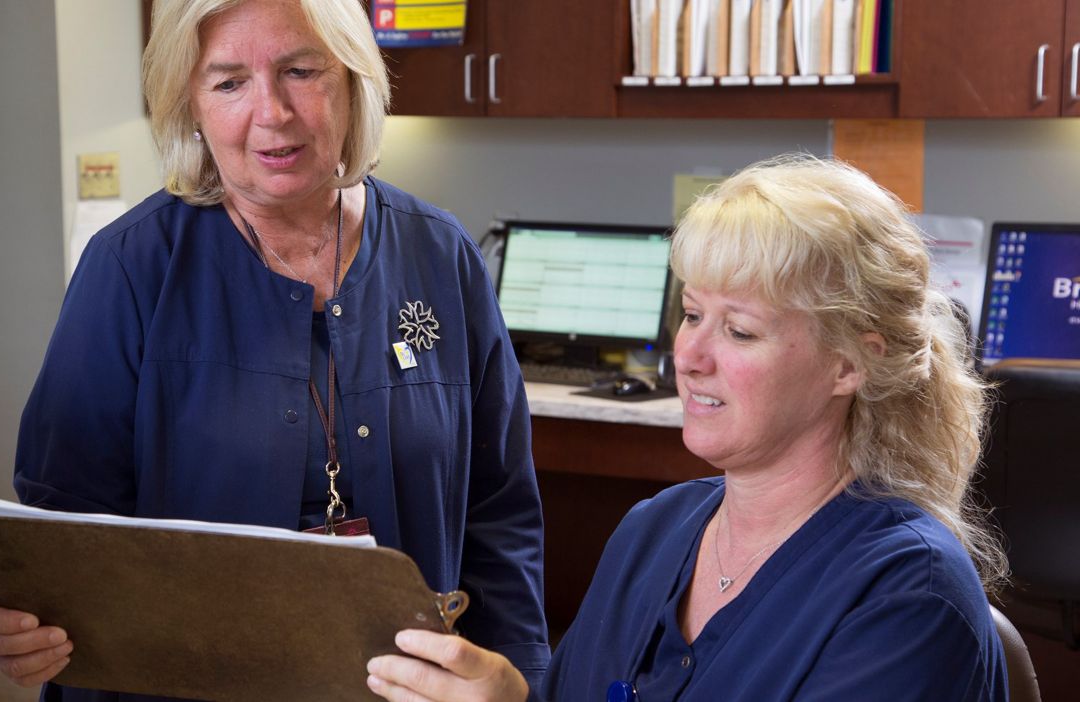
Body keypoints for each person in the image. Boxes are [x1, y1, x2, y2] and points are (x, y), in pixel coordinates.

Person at [0, 0, 550, 699]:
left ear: (352, 83)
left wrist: (524, 681)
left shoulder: (441, 254)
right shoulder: (129, 267)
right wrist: (11, 609)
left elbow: (500, 512)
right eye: (229, 82)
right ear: (191, 103)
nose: (271, 112)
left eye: (301, 70)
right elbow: (61, 528)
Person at [366, 154, 1010, 702]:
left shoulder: (910, 596)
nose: (690, 354)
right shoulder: (653, 531)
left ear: (850, 363)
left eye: (739, 330)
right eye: (694, 313)